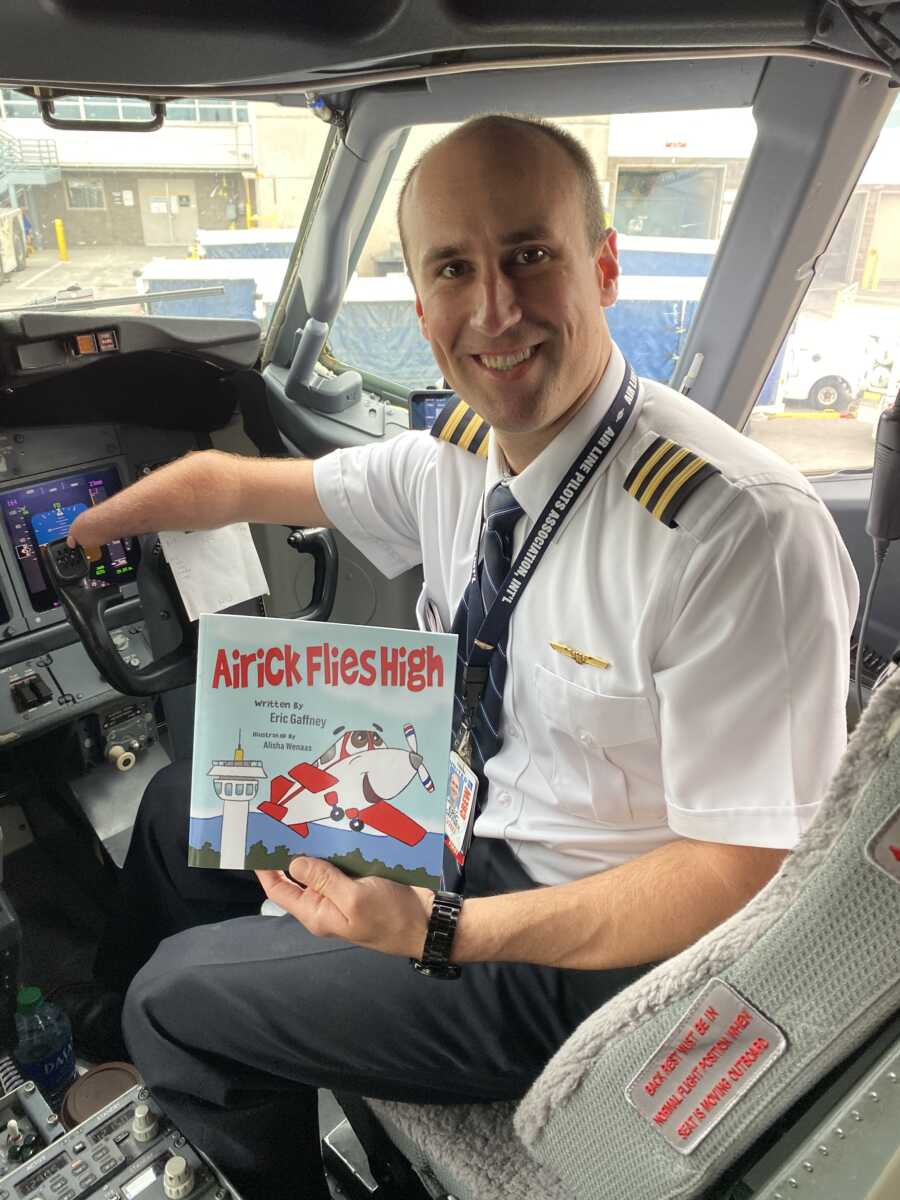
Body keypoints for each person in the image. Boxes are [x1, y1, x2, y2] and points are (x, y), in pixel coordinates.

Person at [67, 114, 858, 1200]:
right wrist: (81, 531)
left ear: (605, 267)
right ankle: (115, 1051)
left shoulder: (736, 530)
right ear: (424, 300)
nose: (496, 309)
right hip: (469, 819)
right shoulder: (462, 455)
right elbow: (242, 487)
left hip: (595, 952)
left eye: (531, 255)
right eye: (454, 268)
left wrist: (447, 929)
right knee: (174, 810)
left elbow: (741, 872)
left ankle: (199, 1066)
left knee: (182, 998)